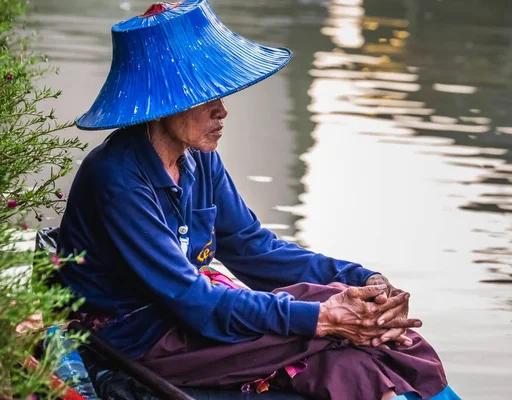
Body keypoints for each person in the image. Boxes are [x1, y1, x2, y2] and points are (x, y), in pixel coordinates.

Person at [58, 1, 460, 399]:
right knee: (332, 325)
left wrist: (366, 283)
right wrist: (326, 318)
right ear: (166, 105)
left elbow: (253, 247)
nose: (222, 111)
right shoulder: (119, 179)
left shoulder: (198, 158)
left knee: (359, 339)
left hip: (191, 314)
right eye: (207, 98)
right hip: (143, 337)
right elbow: (192, 300)